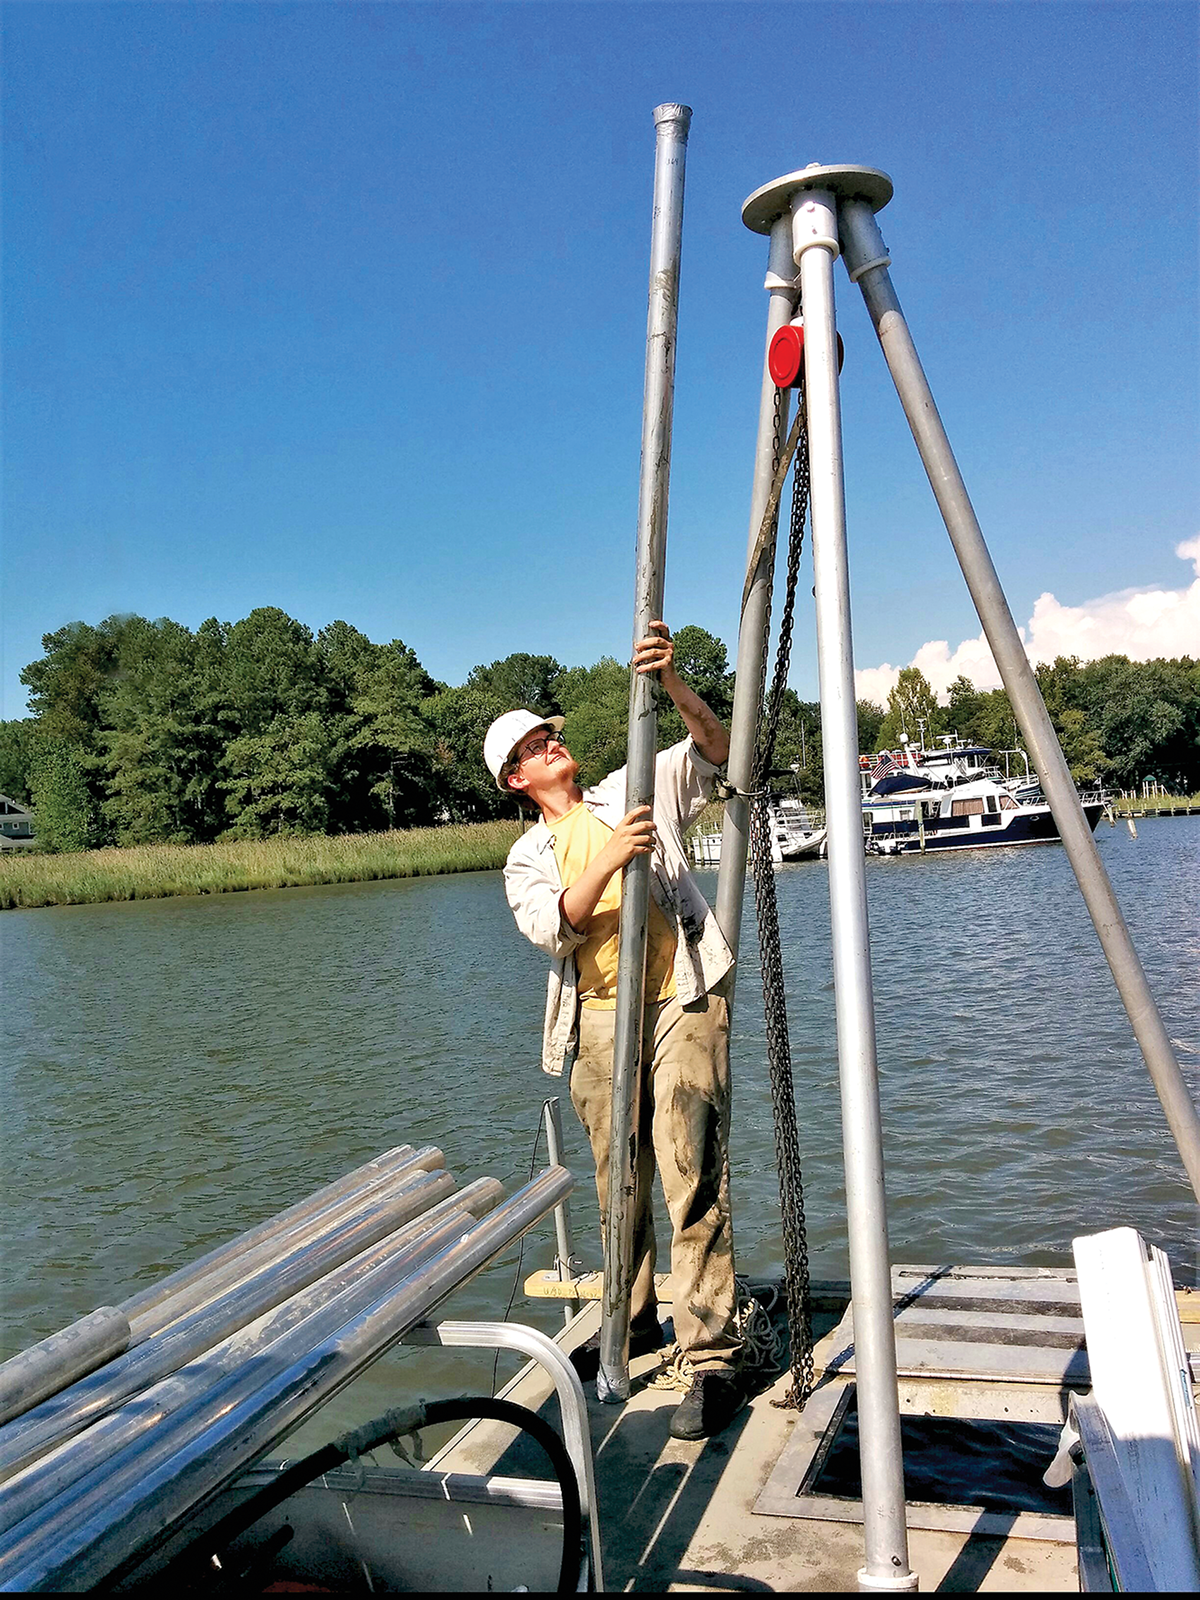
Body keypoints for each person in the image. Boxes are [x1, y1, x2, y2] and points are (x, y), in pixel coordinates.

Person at [483, 622, 747, 1441]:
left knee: (688, 1169)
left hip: (681, 1000)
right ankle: (630, 1324)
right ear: (514, 778)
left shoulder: (634, 782)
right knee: (615, 1185)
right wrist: (606, 862)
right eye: (531, 745)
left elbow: (716, 747)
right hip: (599, 1022)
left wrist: (673, 685)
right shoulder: (527, 856)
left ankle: (709, 1353)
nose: (549, 743)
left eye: (549, 732)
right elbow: (552, 927)